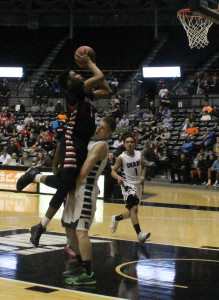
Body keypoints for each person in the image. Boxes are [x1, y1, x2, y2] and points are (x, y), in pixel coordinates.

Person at [16, 51, 112, 247]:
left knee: (68, 184)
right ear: (70, 83)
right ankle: (40, 226)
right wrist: (90, 63)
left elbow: (107, 90)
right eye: (74, 74)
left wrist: (91, 65)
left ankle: (34, 177)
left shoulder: (84, 94)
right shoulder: (74, 91)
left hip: (81, 143)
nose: (78, 75)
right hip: (72, 140)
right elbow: (100, 77)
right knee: (66, 184)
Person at [62, 116, 116, 285]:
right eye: (98, 125)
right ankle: (80, 265)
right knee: (69, 227)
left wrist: (70, 184)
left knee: (80, 231)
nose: (98, 129)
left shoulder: (101, 146)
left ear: (109, 133)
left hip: (85, 189)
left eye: (102, 128)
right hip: (77, 188)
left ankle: (88, 273)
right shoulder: (91, 142)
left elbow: (84, 171)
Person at [110, 135, 151, 243]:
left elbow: (143, 166)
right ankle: (139, 234)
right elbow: (113, 171)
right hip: (127, 184)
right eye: (127, 142)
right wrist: (118, 177)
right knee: (134, 208)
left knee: (132, 211)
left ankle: (116, 218)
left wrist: (143, 176)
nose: (129, 144)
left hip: (137, 184)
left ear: (135, 143)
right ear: (124, 144)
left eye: (131, 142)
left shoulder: (139, 154)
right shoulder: (121, 157)